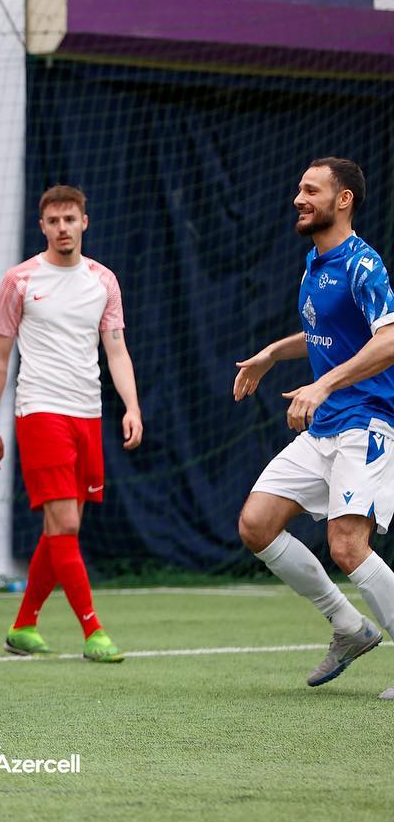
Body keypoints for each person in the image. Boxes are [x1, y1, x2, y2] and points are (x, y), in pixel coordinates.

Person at [233, 157, 394, 691]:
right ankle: (349, 627)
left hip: (365, 424)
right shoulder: (314, 263)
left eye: (311, 190)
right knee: (256, 525)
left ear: (343, 199)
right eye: (299, 189)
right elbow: (326, 331)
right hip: (326, 426)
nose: (298, 199)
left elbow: (389, 338)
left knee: (347, 545)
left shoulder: (363, 264)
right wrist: (272, 354)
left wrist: (322, 385)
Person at [0, 185, 141, 662]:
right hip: (40, 410)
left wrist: (132, 407)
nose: (63, 228)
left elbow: (117, 350)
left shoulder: (104, 281)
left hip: (87, 414)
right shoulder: (20, 280)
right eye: (54, 221)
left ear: (84, 222)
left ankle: (23, 626)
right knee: (66, 524)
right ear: (43, 226)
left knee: (60, 530)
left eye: (70, 219)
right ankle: (93, 631)